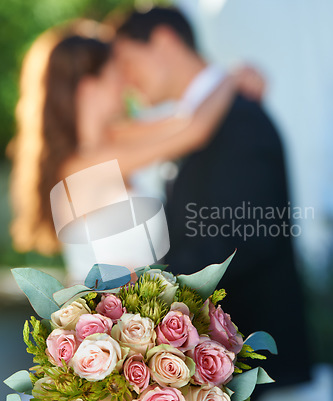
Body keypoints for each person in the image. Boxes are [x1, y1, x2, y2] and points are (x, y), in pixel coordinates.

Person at [115, 7, 311, 398]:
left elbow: (248, 234)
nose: (125, 80)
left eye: (127, 62)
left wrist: (151, 281)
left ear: (164, 40)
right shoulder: (194, 121)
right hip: (205, 359)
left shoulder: (239, 119)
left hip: (244, 353)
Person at [10, 19, 263, 262]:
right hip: (107, 304)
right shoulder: (82, 166)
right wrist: (229, 79)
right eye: (118, 72)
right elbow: (195, 131)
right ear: (90, 87)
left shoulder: (115, 139)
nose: (128, 82)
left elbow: (186, 119)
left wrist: (225, 89)